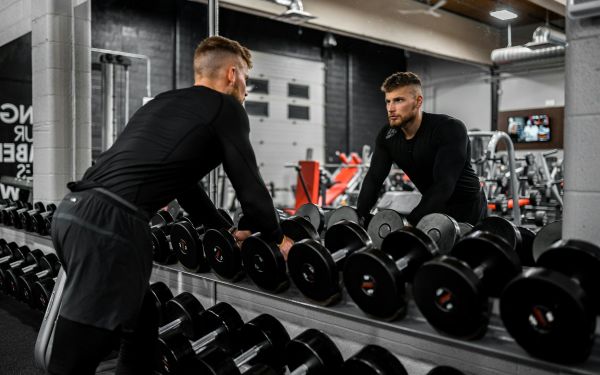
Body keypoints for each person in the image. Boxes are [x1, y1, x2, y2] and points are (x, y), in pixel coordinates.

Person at [47, 35, 293, 375]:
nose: (247, 91)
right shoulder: (227, 108)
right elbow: (250, 188)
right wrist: (278, 238)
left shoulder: (162, 103)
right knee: (76, 353)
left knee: (143, 315)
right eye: (247, 81)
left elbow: (187, 190)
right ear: (233, 75)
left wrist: (221, 232)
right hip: (112, 224)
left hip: (72, 210)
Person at [356, 72, 486, 227]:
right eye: (388, 101)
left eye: (398, 100)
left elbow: (444, 184)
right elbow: (374, 179)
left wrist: (410, 222)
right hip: (433, 206)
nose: (390, 108)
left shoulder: (448, 128)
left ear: (418, 102)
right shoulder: (387, 136)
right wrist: (360, 216)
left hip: (468, 208)